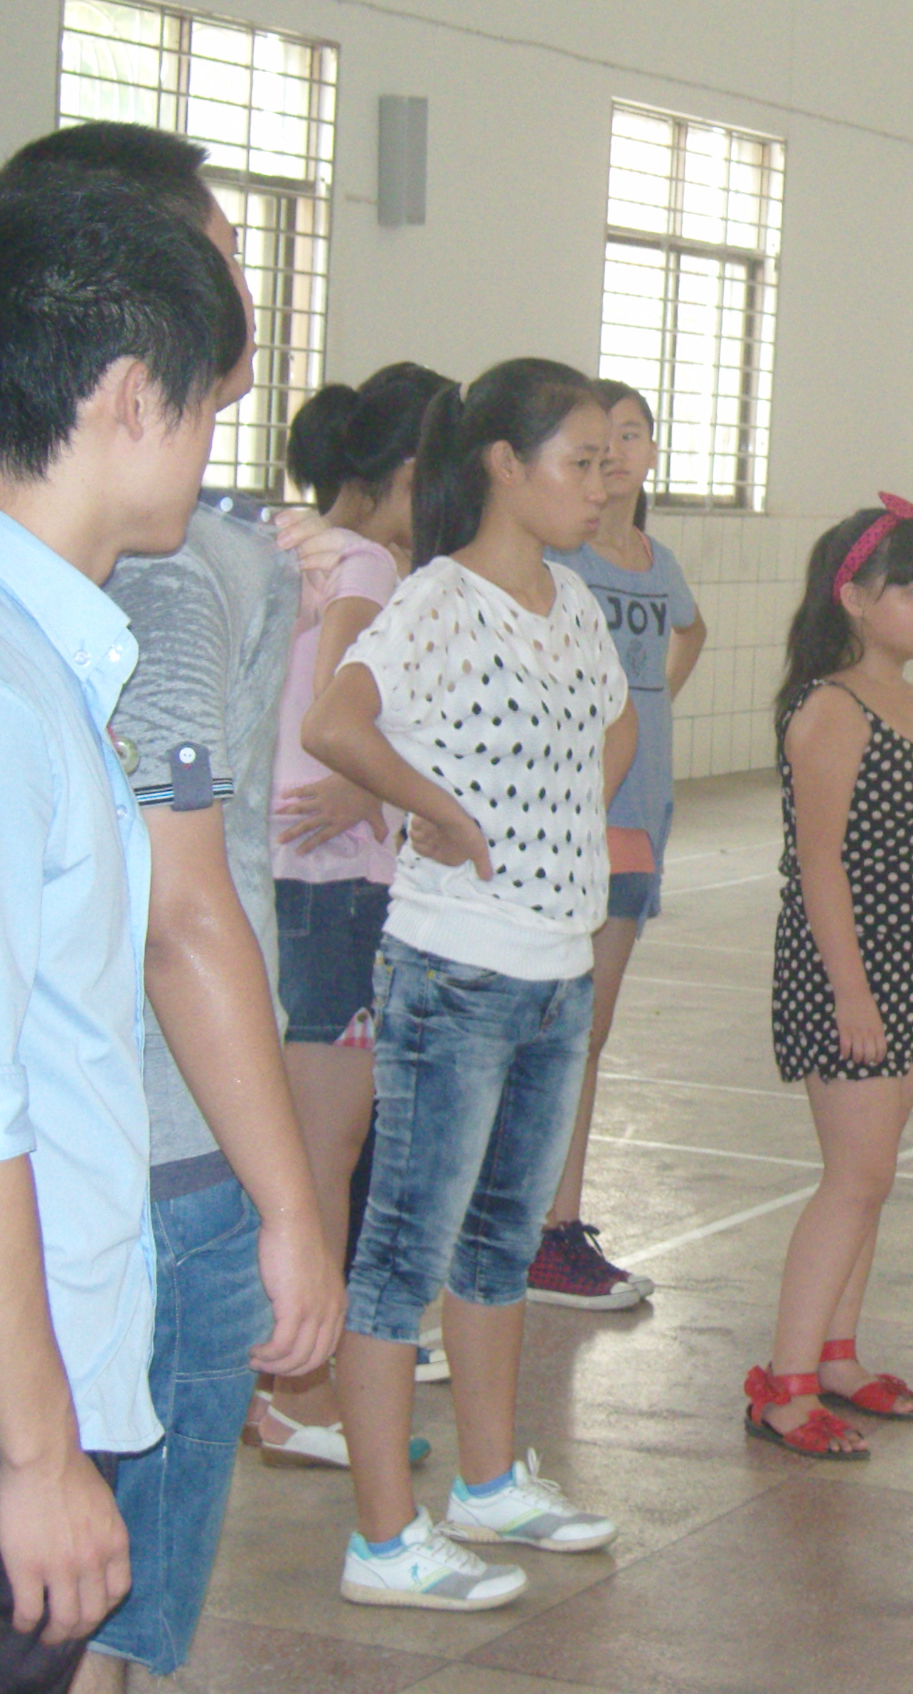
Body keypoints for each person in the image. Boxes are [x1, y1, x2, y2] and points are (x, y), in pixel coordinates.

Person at [0, 164, 255, 1692]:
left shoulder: (11, 652)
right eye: (205, 404)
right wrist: (34, 1450)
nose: (209, 445)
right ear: (134, 397)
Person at [302, 360, 634, 1610]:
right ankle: (383, 1540)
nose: (604, 486)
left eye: (608, 463)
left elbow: (615, 723)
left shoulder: (573, 599)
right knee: (401, 1255)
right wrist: (439, 812)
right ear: (503, 463)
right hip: (454, 970)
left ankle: (490, 1484)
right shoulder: (438, 599)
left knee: (499, 1247)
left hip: (555, 967)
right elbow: (337, 724)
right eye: (582, 462)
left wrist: (559, 824)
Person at [257, 362, 449, 1466]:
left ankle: (281, 1381)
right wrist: (375, 787)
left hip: (291, 871)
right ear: (412, 469)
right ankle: (301, 1387)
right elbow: (339, 710)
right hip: (335, 883)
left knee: (300, 1144)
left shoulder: (301, 543)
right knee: (324, 1152)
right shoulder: (371, 562)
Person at [750, 497, 913, 1454]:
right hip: (853, 974)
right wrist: (851, 992)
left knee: (871, 1179)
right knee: (854, 1178)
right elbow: (820, 864)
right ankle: (785, 1384)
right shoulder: (833, 710)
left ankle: (838, 1357)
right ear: (852, 599)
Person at [533, 382, 706, 1310]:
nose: (620, 455)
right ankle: (530, 1223)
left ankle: (554, 1225)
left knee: (589, 1033)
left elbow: (692, 632)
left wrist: (652, 706)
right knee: (550, 1027)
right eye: (602, 442)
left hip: (639, 811)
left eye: (635, 436)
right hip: (572, 814)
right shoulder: (560, 555)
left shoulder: (657, 560)